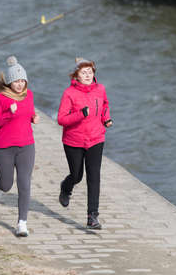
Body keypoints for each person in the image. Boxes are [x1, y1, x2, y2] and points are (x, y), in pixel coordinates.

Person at [0, 56, 40, 237]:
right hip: (3, 148)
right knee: (7, 185)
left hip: (26, 146)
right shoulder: (0, 99)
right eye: (17, 81)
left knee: (24, 184)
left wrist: (33, 118)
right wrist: (9, 113)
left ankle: (22, 223)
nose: (20, 84)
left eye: (23, 80)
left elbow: (29, 111)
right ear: (9, 81)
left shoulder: (28, 95)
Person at [57, 57, 113, 229]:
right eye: (84, 72)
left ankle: (92, 216)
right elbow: (61, 119)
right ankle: (66, 188)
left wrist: (106, 118)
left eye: (90, 71)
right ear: (76, 76)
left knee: (94, 176)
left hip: (96, 138)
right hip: (74, 141)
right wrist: (81, 114)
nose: (88, 75)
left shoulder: (100, 89)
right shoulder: (69, 93)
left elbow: (104, 105)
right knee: (77, 175)